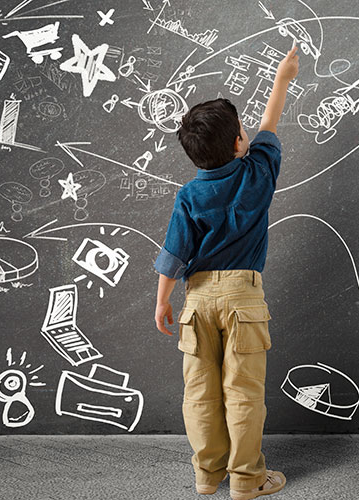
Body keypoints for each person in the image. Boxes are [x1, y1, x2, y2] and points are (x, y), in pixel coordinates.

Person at [153, 45, 299, 499]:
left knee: (199, 392)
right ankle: (246, 480)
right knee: (243, 394)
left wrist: (162, 301)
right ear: (240, 142)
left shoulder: (189, 195)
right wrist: (282, 79)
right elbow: (270, 123)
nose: (248, 135)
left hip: (196, 300)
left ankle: (206, 477)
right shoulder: (259, 173)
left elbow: (175, 252)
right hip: (244, 298)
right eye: (242, 131)